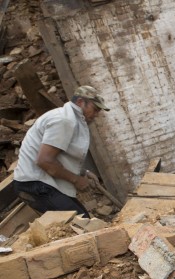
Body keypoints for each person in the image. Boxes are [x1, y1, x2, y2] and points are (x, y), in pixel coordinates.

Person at [13, 85, 110, 218]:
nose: (96, 115)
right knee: (81, 222)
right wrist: (77, 180)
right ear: (81, 102)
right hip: (34, 184)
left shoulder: (70, 118)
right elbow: (44, 161)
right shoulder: (64, 120)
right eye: (95, 109)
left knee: (81, 219)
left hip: (41, 182)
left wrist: (84, 172)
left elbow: (59, 155)